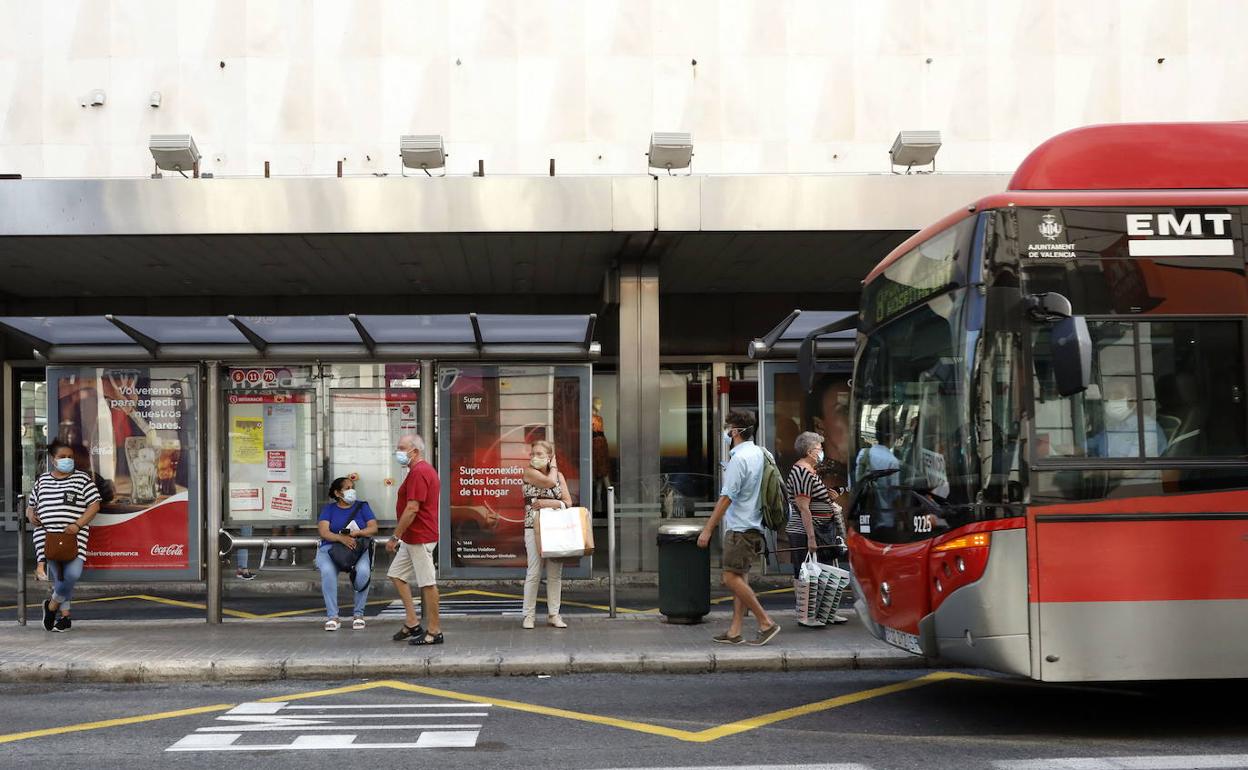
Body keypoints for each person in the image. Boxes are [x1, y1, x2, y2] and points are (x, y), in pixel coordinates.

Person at [697, 410, 780, 646]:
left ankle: (766, 622)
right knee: (740, 577)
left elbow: (726, 498)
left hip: (740, 528)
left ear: (734, 432)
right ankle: (735, 631)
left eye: (728, 430)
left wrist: (707, 529)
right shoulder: (762, 453)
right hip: (756, 525)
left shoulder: (739, 459)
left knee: (729, 578)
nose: (727, 434)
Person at [26, 439, 101, 632]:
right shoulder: (42, 480)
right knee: (61, 580)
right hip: (48, 538)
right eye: (62, 457)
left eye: (70, 457)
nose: (67, 460)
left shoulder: (82, 479)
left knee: (72, 575)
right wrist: (31, 515)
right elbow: (31, 505)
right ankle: (65, 618)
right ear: (53, 459)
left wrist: (78, 524)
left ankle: (51, 607)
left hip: (75, 537)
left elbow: (94, 505)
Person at [386, 434, 444, 646]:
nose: (398, 452)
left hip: (420, 536)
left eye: (402, 448)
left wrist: (395, 536)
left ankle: (435, 631)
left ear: (415, 451)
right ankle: (412, 622)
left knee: (428, 583)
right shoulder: (416, 471)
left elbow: (412, 508)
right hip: (413, 536)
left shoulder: (420, 472)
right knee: (396, 575)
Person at [785, 432, 846, 595]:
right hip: (806, 532)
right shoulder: (802, 472)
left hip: (820, 531)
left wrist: (828, 496)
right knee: (806, 574)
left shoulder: (810, 471)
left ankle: (823, 612)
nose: (821, 452)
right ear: (809, 451)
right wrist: (811, 538)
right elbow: (803, 507)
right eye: (819, 448)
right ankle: (808, 615)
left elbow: (812, 498)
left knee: (824, 572)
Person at [522, 440, 573, 630]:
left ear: (550, 457)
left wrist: (549, 504)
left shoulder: (559, 475)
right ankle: (528, 615)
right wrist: (554, 467)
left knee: (554, 574)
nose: (534, 457)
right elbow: (549, 482)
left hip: (556, 528)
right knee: (534, 572)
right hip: (532, 527)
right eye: (533, 453)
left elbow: (568, 502)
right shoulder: (529, 472)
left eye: (540, 454)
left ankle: (554, 614)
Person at [315, 477, 378, 631]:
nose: (352, 491)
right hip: (330, 549)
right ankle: (333, 617)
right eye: (347, 488)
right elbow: (324, 531)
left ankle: (358, 614)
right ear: (337, 493)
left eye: (352, 487)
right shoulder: (329, 509)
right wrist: (341, 538)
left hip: (357, 549)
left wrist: (359, 532)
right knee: (328, 572)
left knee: (363, 573)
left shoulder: (362, 506)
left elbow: (373, 527)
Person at [1088, 378, 1169, 458]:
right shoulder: (1116, 425)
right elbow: (1092, 443)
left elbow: (1132, 469)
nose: (1110, 400)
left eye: (1118, 395)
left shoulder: (1146, 428)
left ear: (1134, 401)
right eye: (1108, 395)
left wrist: (1093, 471)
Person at [854, 407, 901, 540]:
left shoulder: (863, 454)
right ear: (892, 435)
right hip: (886, 523)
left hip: (864, 518)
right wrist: (904, 520)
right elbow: (895, 496)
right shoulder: (892, 462)